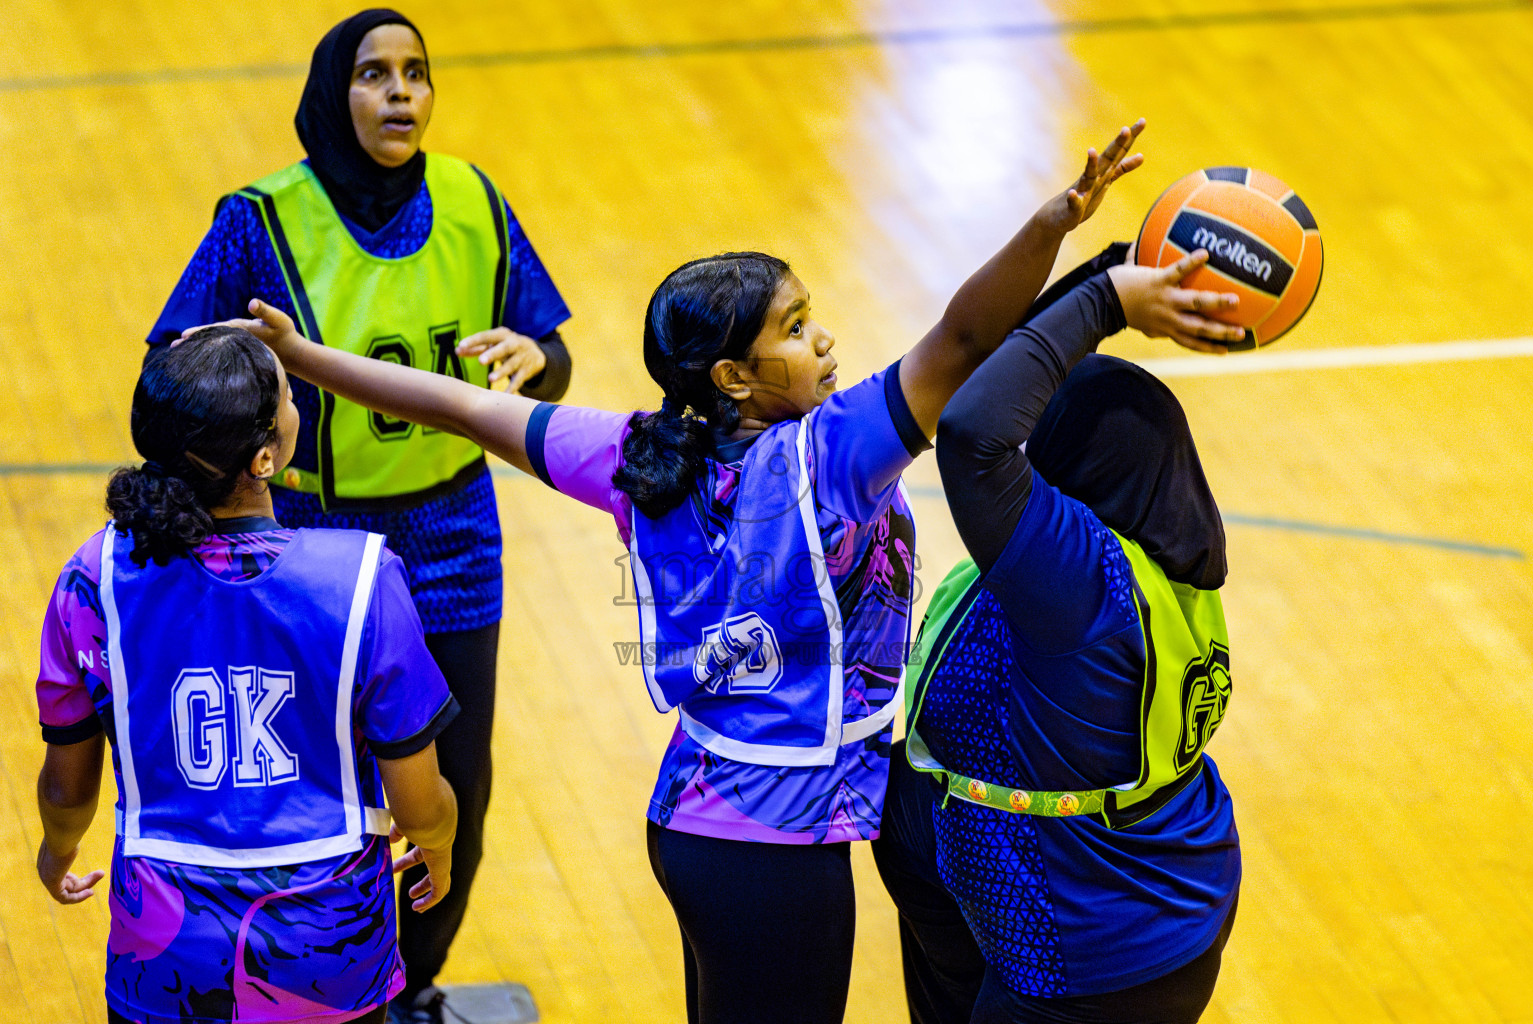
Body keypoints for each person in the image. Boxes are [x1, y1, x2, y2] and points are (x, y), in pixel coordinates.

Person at [223, 119, 1240, 1024]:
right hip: (777, 853)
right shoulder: (828, 458)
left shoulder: (635, 452)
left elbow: (460, 408)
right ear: (733, 377)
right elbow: (969, 343)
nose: (824, 336)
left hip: (698, 819)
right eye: (795, 329)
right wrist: (1080, 260)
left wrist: (305, 359)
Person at [145, 11, 573, 1019]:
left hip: (455, 525)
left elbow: (549, 346)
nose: (399, 93)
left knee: (455, 781)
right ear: (333, 93)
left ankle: (411, 985)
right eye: (374, 74)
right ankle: (309, 985)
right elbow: (170, 360)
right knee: (322, 783)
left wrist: (536, 362)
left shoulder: (473, 196)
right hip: (309, 538)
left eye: (417, 74)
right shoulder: (258, 218)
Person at [34, 327, 459, 1024]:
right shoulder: (360, 579)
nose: (298, 404)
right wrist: (438, 844)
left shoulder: (92, 578)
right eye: (290, 395)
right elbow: (420, 804)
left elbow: (67, 785)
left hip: (165, 955)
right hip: (328, 952)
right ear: (266, 455)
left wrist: (57, 851)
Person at [871, 242, 1246, 1024]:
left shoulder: (1083, 588)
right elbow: (992, 390)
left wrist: (1109, 300)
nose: (1026, 448)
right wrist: (1130, 262)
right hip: (1072, 875)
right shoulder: (1153, 541)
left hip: (1088, 951)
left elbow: (974, 433)